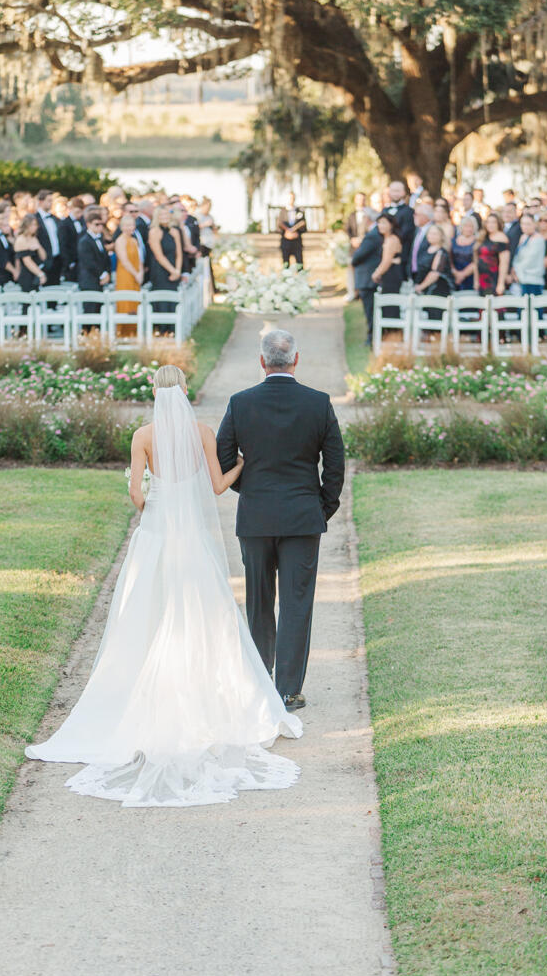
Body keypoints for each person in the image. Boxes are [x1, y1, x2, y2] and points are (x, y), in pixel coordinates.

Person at [26, 364, 302, 807]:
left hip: (155, 535)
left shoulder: (143, 436)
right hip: (191, 540)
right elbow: (216, 486)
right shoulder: (203, 432)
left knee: (144, 613)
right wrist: (242, 466)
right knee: (202, 615)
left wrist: (150, 498)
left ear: (155, 391)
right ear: (186, 391)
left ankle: (136, 695)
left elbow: (137, 495)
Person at [217, 329, 345, 709]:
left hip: (256, 518)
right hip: (303, 517)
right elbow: (335, 465)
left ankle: (259, 684)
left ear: (261, 361)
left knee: (258, 602)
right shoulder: (318, 403)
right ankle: (288, 690)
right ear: (296, 360)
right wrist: (323, 506)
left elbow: (225, 460)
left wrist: (252, 492)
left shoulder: (240, 403)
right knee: (296, 603)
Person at [350, 208, 382, 346]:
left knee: (370, 311)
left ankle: (371, 339)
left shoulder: (372, 235)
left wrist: (353, 260)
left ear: (367, 219)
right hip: (368, 278)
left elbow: (359, 255)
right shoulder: (374, 233)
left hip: (367, 278)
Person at [148, 205, 182, 315]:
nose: (165, 216)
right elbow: (159, 256)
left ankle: (172, 329)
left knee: (173, 298)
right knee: (162, 299)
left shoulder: (174, 231)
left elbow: (179, 254)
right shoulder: (154, 231)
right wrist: (173, 271)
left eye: (166, 214)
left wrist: (178, 270)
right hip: (160, 271)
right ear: (157, 217)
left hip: (174, 269)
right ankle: (162, 329)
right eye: (161, 214)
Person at [114, 213, 143, 332]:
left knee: (135, 303)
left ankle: (134, 332)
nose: (129, 228)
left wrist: (140, 272)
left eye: (131, 225)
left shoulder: (134, 240)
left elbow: (140, 258)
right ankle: (124, 332)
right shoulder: (120, 240)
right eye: (126, 225)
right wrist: (135, 274)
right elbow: (124, 261)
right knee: (125, 303)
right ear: (121, 227)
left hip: (136, 275)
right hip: (125, 275)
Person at [381, 181, 415, 276]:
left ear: (404, 192)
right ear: (389, 192)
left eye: (398, 191)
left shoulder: (409, 211)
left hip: (401, 256)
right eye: (393, 191)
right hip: (384, 254)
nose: (395, 193)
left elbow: (405, 232)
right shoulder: (384, 210)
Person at [414, 223, 455, 299]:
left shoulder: (441, 252)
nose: (431, 236)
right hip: (425, 289)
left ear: (441, 236)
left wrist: (420, 287)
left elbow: (434, 274)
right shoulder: (425, 250)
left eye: (435, 234)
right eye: (430, 233)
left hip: (437, 290)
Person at [474, 213, 510, 297]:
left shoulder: (502, 238)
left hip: (494, 278)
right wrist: (476, 280)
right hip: (482, 278)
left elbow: (504, 263)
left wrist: (501, 284)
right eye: (489, 222)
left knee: (494, 305)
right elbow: (476, 260)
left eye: (494, 222)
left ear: (498, 224)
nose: (491, 225)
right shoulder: (483, 237)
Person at [510, 213, 545, 296]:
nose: (525, 226)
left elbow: (530, 260)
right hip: (521, 278)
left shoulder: (538, 239)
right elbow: (517, 256)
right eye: (523, 224)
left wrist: (515, 271)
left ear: (534, 224)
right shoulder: (523, 237)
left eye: (528, 224)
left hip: (532, 279)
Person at [77, 210, 111, 295]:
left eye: (101, 224)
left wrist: (107, 273)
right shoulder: (84, 241)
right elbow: (89, 262)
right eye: (96, 224)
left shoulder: (100, 238)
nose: (100, 227)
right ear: (88, 224)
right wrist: (102, 274)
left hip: (100, 281)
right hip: (89, 281)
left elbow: (105, 258)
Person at [371, 212, 403, 293]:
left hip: (392, 275)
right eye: (379, 223)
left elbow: (387, 261)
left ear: (391, 225)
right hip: (388, 274)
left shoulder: (391, 239)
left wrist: (376, 274)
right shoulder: (386, 238)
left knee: (389, 301)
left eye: (384, 223)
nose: (380, 225)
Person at [35, 189, 62, 285]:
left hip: (57, 260)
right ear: (41, 201)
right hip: (44, 262)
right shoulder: (34, 219)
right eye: (49, 200)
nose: (51, 203)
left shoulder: (55, 219)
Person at [14, 213, 47, 292]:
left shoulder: (34, 238)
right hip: (27, 276)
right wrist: (40, 274)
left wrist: (38, 247)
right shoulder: (21, 240)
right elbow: (27, 261)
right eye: (32, 225)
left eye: (36, 225)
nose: (35, 227)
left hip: (35, 275)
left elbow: (43, 257)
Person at [345, 191, 368, 300]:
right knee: (351, 268)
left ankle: (362, 292)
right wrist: (352, 240)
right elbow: (348, 230)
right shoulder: (351, 215)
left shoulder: (369, 214)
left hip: (366, 246)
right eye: (358, 199)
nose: (361, 201)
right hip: (353, 247)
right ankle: (352, 292)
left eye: (362, 199)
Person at [0, 205, 18, 287]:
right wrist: (14, 271)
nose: (0, 221)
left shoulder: (4, 234)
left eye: (2, 219)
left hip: (7, 274)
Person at [58, 196, 85, 283]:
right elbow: (63, 245)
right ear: (71, 209)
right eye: (77, 212)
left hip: (81, 261)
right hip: (71, 263)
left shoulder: (83, 222)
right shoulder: (64, 224)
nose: (80, 215)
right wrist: (69, 262)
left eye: (81, 212)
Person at [276, 192, 306, 266]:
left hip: (297, 242)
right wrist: (287, 232)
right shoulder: (282, 211)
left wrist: (296, 232)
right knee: (286, 265)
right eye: (290, 198)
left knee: (299, 264)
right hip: (286, 242)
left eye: (293, 198)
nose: (291, 200)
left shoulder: (300, 211)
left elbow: (304, 225)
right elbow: (278, 225)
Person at [451, 216, 478, 290]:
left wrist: (462, 275)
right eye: (466, 226)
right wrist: (455, 273)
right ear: (461, 227)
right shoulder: (453, 241)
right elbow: (449, 259)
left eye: (471, 226)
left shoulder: (477, 242)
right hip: (454, 275)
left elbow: (476, 261)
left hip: (470, 275)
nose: (469, 229)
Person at [197, 195, 218, 293]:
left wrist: (214, 227)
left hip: (209, 244)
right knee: (205, 266)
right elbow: (195, 229)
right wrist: (205, 224)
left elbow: (214, 230)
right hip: (202, 243)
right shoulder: (198, 216)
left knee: (209, 265)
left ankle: (212, 288)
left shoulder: (210, 216)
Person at [409, 203, 433, 283]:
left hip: (426, 275)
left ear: (425, 216)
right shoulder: (417, 230)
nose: (414, 216)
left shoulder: (433, 230)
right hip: (414, 273)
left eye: (416, 214)